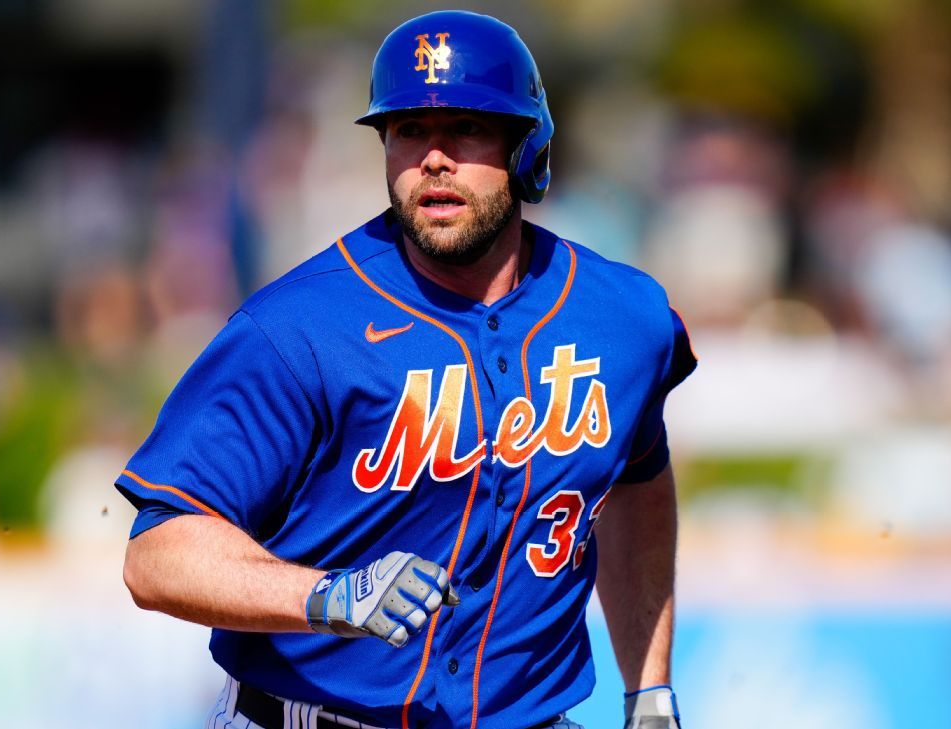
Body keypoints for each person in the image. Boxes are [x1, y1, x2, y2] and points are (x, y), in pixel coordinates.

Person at [116, 10, 695, 729]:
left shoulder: (623, 320)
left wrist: (649, 688)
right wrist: (326, 595)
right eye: (409, 131)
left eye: (467, 128)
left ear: (528, 148)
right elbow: (157, 551)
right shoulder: (298, 328)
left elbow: (638, 476)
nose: (435, 157)